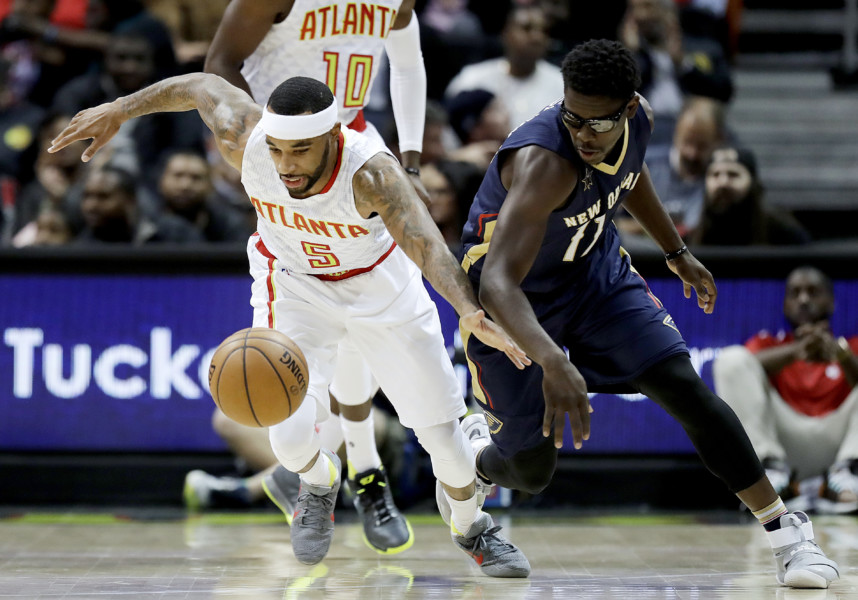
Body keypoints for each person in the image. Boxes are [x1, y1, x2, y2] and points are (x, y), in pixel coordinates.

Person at [49, 73, 532, 576]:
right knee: (287, 432)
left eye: (300, 151)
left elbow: (429, 246)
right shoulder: (245, 137)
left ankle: (469, 525)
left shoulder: (371, 174)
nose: (285, 165)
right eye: (278, 150)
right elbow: (199, 85)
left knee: (446, 448)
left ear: (332, 136)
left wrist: (469, 311)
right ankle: (319, 485)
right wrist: (119, 109)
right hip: (297, 284)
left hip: (380, 289)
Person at [448, 39, 839, 589]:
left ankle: (787, 533)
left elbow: (631, 177)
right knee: (532, 473)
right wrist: (553, 363)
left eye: (598, 122)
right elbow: (497, 283)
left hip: (593, 276)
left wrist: (676, 252)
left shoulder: (641, 124)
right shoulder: (546, 164)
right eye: (572, 117)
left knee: (684, 388)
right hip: (513, 301)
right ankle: (476, 457)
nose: (583, 134)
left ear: (631, 107)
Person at [201, 0, 430, 555]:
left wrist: (414, 161)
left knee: (361, 322)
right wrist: (261, 148)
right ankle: (335, 474)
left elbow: (407, 64)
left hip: (354, 148)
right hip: (289, 163)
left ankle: (355, 475)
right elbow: (217, 67)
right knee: (317, 337)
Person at [713, 267, 858, 514]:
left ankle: (846, 475)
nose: (803, 299)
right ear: (785, 305)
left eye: (813, 292)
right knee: (731, 359)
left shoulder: (850, 347)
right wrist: (797, 351)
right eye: (795, 293)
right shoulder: (768, 344)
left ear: (831, 302)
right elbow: (741, 370)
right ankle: (773, 474)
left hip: (840, 446)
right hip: (785, 447)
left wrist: (840, 354)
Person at [444, 5, 563, 129]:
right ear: (506, 34)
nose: (537, 37)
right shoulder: (472, 79)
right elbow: (447, 132)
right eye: (527, 28)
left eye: (544, 31)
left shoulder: (562, 85)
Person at [688, 146, 811, 247]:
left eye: (733, 174)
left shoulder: (785, 232)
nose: (723, 182)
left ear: (752, 182)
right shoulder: (693, 236)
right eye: (715, 174)